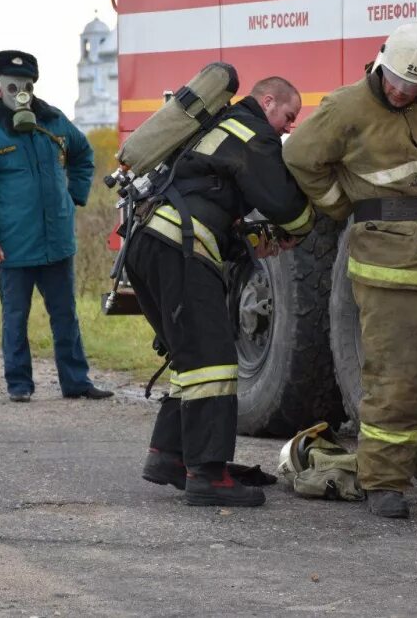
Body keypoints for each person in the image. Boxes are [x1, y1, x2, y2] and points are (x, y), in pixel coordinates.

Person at [282, 20, 417, 520]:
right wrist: (343, 207)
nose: (404, 94)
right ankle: (385, 484)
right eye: (398, 83)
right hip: (389, 269)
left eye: (416, 87)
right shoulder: (346, 106)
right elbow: (300, 156)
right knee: (393, 380)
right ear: (381, 63)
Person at [129, 76, 314, 507]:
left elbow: (208, 202)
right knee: (213, 362)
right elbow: (283, 202)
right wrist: (305, 226)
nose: (288, 128)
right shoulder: (252, 133)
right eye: (288, 116)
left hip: (152, 244)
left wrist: (251, 242)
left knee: (193, 358)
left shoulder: (218, 129)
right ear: (267, 101)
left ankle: (169, 456)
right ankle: (207, 474)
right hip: (179, 248)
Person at [0, 50, 113, 403]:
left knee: (65, 317)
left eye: (26, 85)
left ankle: (76, 382)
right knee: (15, 318)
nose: (19, 92)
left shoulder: (54, 123)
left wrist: (72, 197)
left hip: (56, 242)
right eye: (12, 86)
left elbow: (83, 155)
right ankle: (19, 385)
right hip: (12, 247)